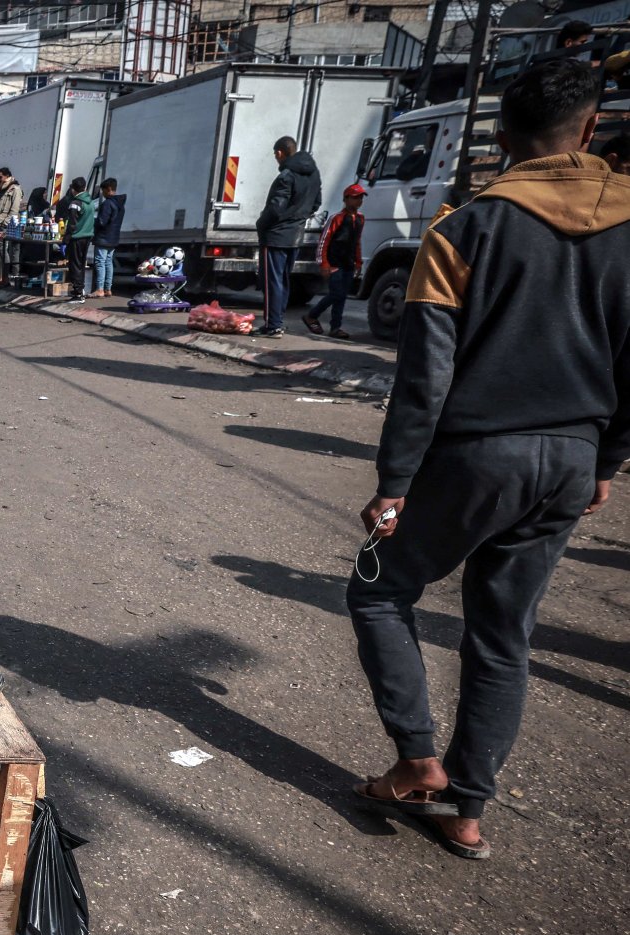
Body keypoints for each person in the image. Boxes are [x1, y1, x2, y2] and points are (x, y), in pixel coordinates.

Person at [347, 60, 629, 862]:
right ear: (589, 129)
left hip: (474, 455)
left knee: (376, 588)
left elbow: (424, 376)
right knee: (503, 634)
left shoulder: (465, 228)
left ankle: (415, 758)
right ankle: (467, 811)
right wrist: (604, 458)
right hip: (570, 461)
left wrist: (392, 486)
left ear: (502, 142)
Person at [253, 135, 320, 337]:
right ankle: (278, 321)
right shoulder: (314, 174)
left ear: (280, 153)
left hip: (275, 236)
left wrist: (261, 224)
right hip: (296, 235)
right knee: (283, 280)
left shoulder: (286, 176)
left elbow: (276, 208)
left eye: (275, 155)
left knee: (272, 282)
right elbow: (316, 203)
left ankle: (272, 325)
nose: (276, 159)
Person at [303, 183, 365, 339]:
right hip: (334, 263)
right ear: (346, 199)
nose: (359, 201)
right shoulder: (336, 218)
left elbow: (356, 241)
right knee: (336, 294)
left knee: (342, 296)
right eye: (355, 197)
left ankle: (335, 327)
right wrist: (323, 263)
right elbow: (324, 241)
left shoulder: (360, 219)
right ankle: (312, 315)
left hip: (348, 263)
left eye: (361, 198)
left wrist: (358, 261)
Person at [60, 177, 96, 302]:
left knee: (74, 265)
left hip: (76, 238)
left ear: (73, 189)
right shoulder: (90, 202)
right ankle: (81, 289)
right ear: (85, 188)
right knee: (81, 265)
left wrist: (65, 241)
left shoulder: (75, 204)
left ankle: (78, 293)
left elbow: (71, 224)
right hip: (87, 237)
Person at [90, 178, 125, 299]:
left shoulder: (107, 204)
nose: (102, 193)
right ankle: (108, 288)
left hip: (103, 237)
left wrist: (93, 222)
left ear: (108, 189)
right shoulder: (120, 205)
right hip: (114, 238)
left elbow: (101, 222)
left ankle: (99, 289)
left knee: (100, 262)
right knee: (108, 262)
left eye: (103, 190)